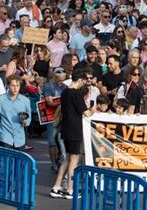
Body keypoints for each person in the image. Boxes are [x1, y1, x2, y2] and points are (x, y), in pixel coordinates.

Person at [53, 68, 95, 199]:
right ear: (81, 80)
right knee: (74, 160)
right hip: (75, 130)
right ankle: (70, 189)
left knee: (67, 158)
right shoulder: (76, 94)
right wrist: (93, 109)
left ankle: (56, 186)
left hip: (65, 128)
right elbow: (86, 113)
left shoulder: (65, 92)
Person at [0, 74, 32, 149]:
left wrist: (25, 122)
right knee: (6, 160)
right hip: (5, 137)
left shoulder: (26, 101)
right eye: (13, 85)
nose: (15, 88)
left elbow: (29, 118)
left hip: (20, 139)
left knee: (19, 161)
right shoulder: (0, 100)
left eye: (17, 86)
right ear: (8, 85)